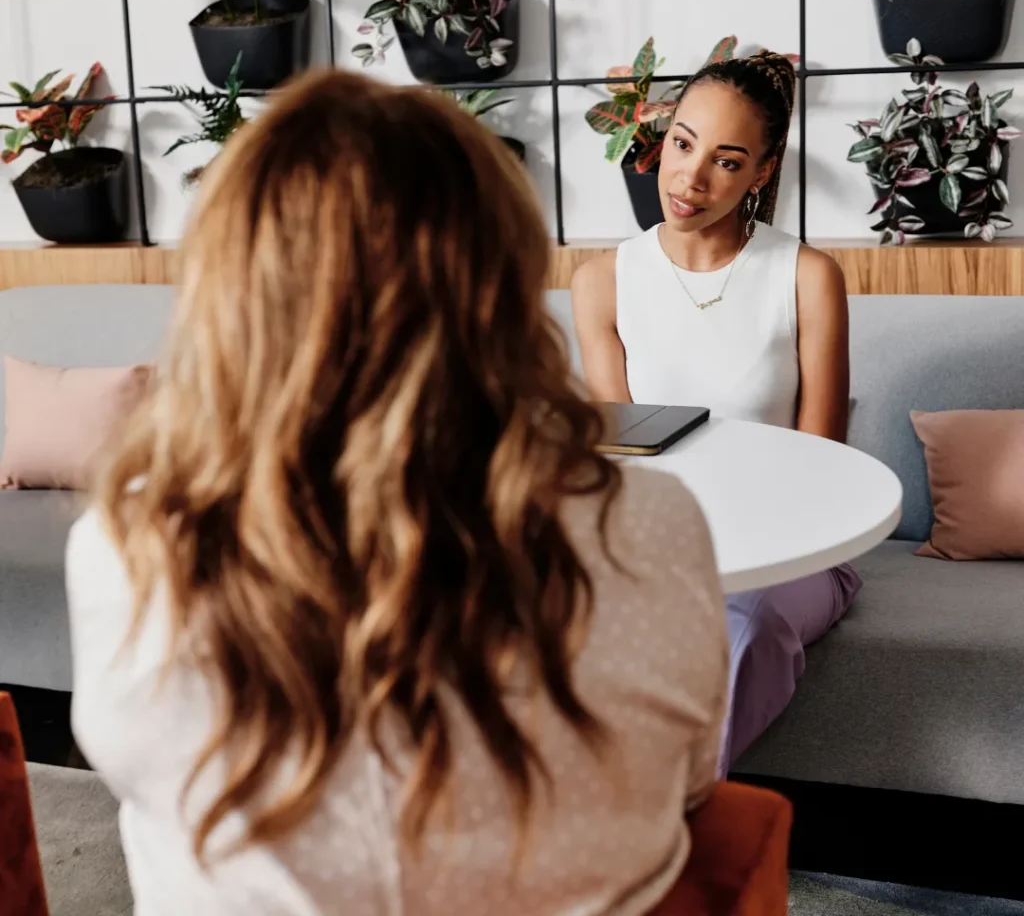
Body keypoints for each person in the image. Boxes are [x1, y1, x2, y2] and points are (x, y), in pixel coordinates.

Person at [66, 70, 729, 915]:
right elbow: (689, 786)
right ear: (501, 283)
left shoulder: (130, 549)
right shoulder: (658, 527)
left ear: (228, 293)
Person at [571, 50, 861, 773]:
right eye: (682, 144)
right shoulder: (603, 281)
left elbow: (824, 468)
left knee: (747, 619)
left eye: (728, 162)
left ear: (762, 172)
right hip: (659, 543)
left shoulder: (806, 277)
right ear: (661, 139)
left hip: (795, 549)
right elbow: (623, 460)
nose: (692, 179)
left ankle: (655, 834)